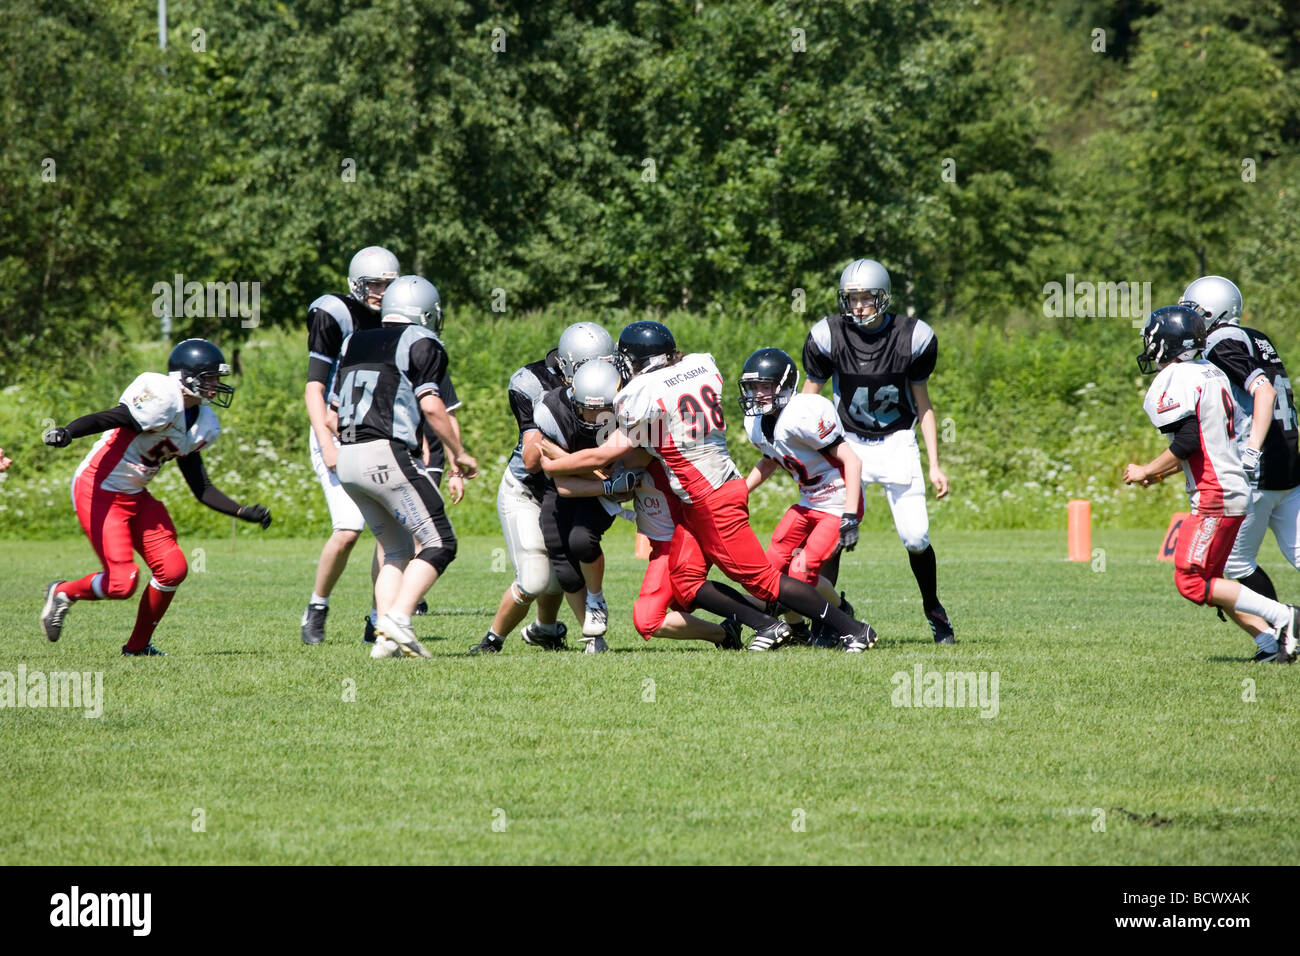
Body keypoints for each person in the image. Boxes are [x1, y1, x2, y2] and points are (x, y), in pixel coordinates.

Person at [542, 321, 880, 652]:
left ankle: (853, 629)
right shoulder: (698, 366)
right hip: (705, 493)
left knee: (763, 580)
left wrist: (552, 464)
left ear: (640, 361)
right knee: (686, 578)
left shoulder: (643, 393)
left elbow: (607, 453)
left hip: (711, 497)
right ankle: (768, 625)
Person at [40, 339, 272, 655]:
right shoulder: (162, 398)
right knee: (122, 583)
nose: (216, 385)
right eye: (210, 378)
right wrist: (69, 431)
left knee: (173, 568)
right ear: (187, 377)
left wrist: (243, 511)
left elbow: (200, 486)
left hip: (134, 495)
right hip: (99, 490)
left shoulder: (202, 422)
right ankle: (64, 592)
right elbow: (113, 417)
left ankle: (137, 648)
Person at [1123, 305, 1297, 663]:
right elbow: (1202, 444)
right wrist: (1158, 474)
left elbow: (1186, 443)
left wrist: (1145, 470)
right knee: (1216, 578)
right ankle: (1269, 644)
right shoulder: (1209, 370)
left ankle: (1284, 617)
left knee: (1190, 580)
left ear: (1166, 343)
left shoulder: (1178, 377)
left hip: (1215, 494)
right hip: (1232, 487)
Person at [801, 258, 954, 644]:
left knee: (916, 537)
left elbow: (924, 404)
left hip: (897, 441)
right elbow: (808, 402)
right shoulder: (829, 335)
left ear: (883, 298)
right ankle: (828, 621)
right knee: (833, 533)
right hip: (847, 443)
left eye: (866, 298)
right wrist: (802, 452)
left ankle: (934, 609)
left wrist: (935, 464)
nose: (857, 306)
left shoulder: (912, 337)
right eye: (851, 299)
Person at [331, 275, 477, 659]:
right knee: (440, 542)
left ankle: (384, 637)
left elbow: (332, 416)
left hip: (346, 457)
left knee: (395, 549)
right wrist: (459, 454)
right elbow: (431, 406)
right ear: (425, 310)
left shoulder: (353, 341)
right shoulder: (422, 342)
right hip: (385, 454)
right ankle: (399, 618)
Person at [471, 323, 613, 655]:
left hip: (572, 484)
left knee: (566, 559)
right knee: (536, 578)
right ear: (567, 367)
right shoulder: (531, 384)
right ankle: (493, 640)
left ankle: (554, 632)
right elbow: (535, 460)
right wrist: (593, 466)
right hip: (528, 488)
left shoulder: (608, 380)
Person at [1183, 275, 1300, 661]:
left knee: (1232, 564)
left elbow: (1262, 391)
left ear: (1213, 312)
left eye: (1196, 311)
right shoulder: (1256, 337)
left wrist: (1249, 452)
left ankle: (1281, 634)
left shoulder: (1220, 342)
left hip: (1257, 472)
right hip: (1290, 463)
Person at [301, 245, 399, 645]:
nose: (380, 292)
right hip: (336, 429)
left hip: (378, 429)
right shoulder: (334, 313)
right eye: (374, 284)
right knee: (348, 528)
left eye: (387, 285)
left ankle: (378, 618)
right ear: (357, 284)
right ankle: (317, 606)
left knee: (388, 530)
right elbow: (314, 386)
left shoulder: (399, 317)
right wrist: (326, 441)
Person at [739, 348, 862, 648]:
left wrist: (849, 515)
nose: (758, 394)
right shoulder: (756, 423)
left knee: (801, 570)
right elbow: (770, 459)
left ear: (784, 385)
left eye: (765, 386)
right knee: (769, 568)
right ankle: (796, 627)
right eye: (754, 387)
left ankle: (842, 615)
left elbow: (853, 461)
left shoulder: (804, 414)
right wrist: (741, 491)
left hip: (837, 501)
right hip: (809, 501)